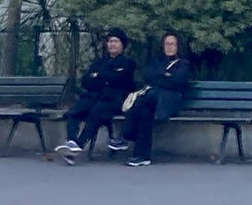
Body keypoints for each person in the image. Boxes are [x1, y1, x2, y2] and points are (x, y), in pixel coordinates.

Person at [57, 29, 138, 164]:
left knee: (97, 113)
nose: (112, 44)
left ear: (122, 45)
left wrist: (100, 77)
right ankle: (71, 141)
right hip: (94, 97)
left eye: (115, 41)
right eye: (110, 41)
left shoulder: (128, 62)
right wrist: (105, 78)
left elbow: (122, 80)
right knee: (74, 111)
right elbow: (86, 81)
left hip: (114, 100)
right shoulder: (99, 62)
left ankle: (78, 146)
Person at [121, 31, 192, 167]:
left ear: (178, 46)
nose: (169, 47)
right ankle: (142, 156)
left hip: (170, 103)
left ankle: (125, 135)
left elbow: (176, 82)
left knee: (146, 97)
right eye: (167, 44)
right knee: (144, 113)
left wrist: (159, 78)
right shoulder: (157, 62)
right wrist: (164, 75)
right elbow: (147, 75)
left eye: (172, 44)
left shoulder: (184, 64)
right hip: (153, 104)